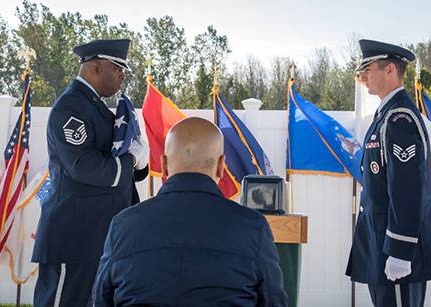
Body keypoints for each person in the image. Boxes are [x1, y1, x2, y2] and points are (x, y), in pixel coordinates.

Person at [93, 117, 288, 306]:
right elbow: (273, 300)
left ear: (164, 166)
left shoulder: (123, 225)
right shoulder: (253, 227)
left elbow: (102, 299)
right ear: (221, 166)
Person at [31, 39, 149, 307]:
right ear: (95, 66)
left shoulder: (95, 108)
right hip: (71, 236)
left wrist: (140, 164)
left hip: (94, 236)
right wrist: (131, 160)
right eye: (118, 67)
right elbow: (82, 166)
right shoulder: (71, 107)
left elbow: (115, 161)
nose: (123, 75)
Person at [346, 39, 431, 306]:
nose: (364, 77)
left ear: (390, 70)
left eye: (369, 69)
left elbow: (407, 188)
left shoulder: (400, 118)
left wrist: (401, 250)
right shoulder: (386, 115)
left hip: (396, 247)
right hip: (381, 244)